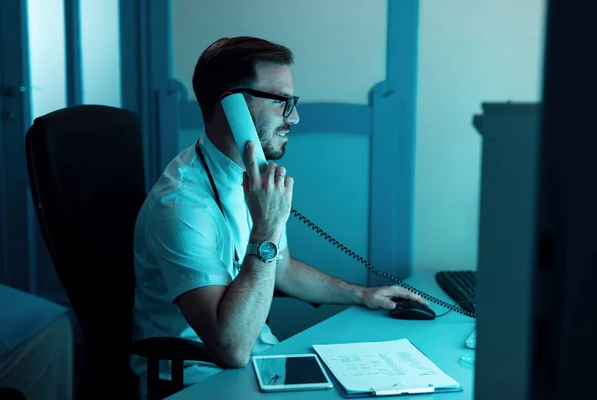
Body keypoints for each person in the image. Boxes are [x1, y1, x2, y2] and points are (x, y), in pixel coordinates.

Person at [131, 36, 427, 396]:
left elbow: (281, 269)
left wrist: (362, 294)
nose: (295, 117)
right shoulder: (180, 207)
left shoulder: (251, 179)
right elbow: (232, 348)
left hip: (261, 361)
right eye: (282, 103)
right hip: (196, 378)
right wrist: (267, 226)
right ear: (232, 107)